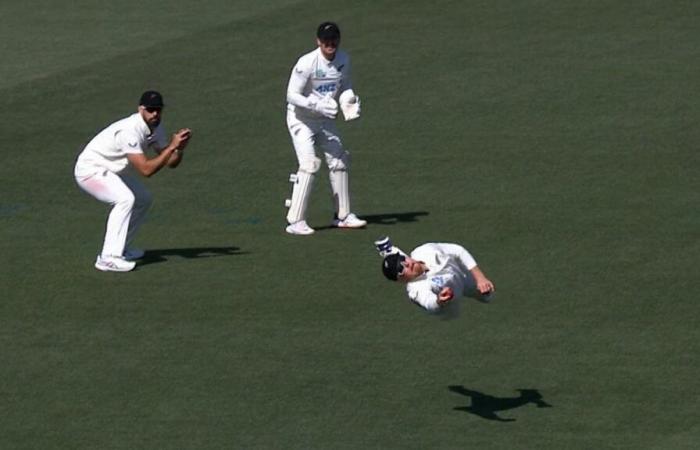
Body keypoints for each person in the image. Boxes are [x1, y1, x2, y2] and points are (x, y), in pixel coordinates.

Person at [74, 90, 192, 272]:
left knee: (143, 199)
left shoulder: (156, 127)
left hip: (111, 171)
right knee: (125, 199)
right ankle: (107, 258)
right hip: (90, 170)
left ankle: (120, 249)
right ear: (141, 110)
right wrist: (172, 147)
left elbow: (170, 163)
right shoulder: (129, 131)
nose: (155, 114)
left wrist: (178, 149)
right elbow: (146, 170)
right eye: (151, 110)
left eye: (158, 110)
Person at [284, 21, 367, 235]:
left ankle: (342, 216)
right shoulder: (307, 63)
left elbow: (345, 85)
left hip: (325, 120)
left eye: (334, 39)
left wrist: (348, 101)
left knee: (339, 159)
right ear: (318, 41)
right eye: (326, 40)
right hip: (301, 119)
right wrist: (316, 104)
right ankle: (296, 221)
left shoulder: (343, 59)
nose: (330, 43)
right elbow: (291, 95)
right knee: (310, 164)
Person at [375, 236, 495, 314]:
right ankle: (388, 251)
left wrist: (480, 277)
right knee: (480, 297)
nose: (406, 264)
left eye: (403, 259)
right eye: (400, 269)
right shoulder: (416, 289)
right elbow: (429, 302)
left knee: (487, 294)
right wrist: (439, 301)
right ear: (400, 280)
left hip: (458, 272)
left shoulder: (424, 250)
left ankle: (388, 250)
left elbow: (458, 251)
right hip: (451, 297)